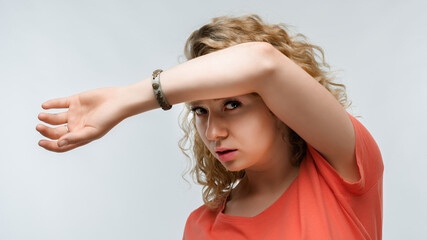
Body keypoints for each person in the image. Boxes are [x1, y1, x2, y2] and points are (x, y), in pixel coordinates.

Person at [36, 14, 383, 239]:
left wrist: (127, 99)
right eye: (200, 111)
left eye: (232, 105)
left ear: (277, 105)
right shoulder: (203, 228)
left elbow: (262, 63)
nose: (213, 132)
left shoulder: (342, 169)